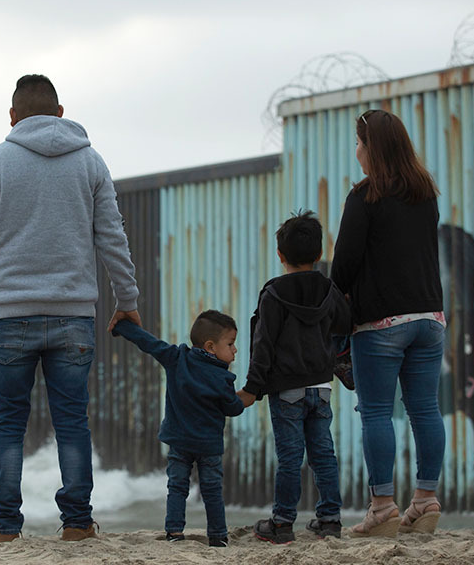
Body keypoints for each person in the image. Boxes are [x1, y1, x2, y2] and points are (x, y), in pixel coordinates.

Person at [0, 74, 141, 543]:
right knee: (72, 422)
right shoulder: (91, 163)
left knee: (8, 424)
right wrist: (128, 300)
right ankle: (78, 524)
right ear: (60, 113)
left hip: (7, 316)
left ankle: (3, 528)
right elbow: (112, 239)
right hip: (73, 315)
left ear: (13, 117)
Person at [330, 109, 446, 537]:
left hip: (381, 323)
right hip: (430, 318)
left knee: (377, 412)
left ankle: (382, 508)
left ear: (372, 147)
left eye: (359, 143)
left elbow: (342, 267)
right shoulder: (426, 193)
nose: (356, 151)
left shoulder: (364, 198)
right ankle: (425, 501)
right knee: (425, 410)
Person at [237, 210, 351, 543]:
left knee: (290, 456)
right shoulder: (329, 291)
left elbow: (264, 345)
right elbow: (345, 324)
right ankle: (330, 519)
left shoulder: (273, 294)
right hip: (321, 386)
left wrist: (251, 389)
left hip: (286, 390)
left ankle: (283, 522)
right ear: (318, 255)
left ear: (280, 255)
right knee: (323, 454)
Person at [111, 310, 244, 547]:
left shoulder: (176, 358)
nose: (235, 350)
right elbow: (233, 408)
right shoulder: (222, 379)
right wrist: (248, 396)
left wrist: (123, 327)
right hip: (208, 447)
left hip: (178, 442)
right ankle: (218, 535)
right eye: (231, 344)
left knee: (176, 487)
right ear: (211, 346)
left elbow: (149, 343)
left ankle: (174, 532)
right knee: (212, 490)